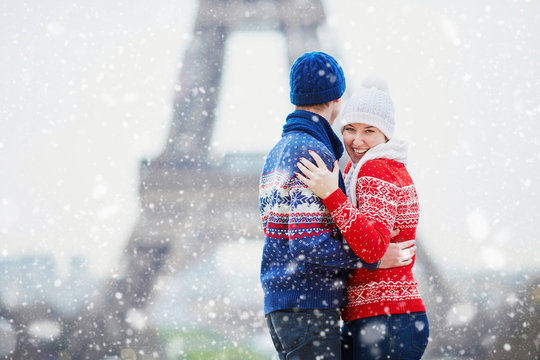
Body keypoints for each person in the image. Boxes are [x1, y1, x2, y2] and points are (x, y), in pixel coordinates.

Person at [259, 53, 417, 359]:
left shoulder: (278, 152)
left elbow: (276, 233)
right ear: (337, 99)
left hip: (281, 305)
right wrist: (370, 259)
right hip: (309, 306)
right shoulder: (313, 151)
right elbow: (305, 244)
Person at [296, 76, 429, 359]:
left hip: (384, 320)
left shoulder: (374, 170)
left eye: (369, 130)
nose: (356, 140)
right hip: (388, 319)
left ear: (385, 135)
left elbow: (372, 248)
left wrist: (331, 194)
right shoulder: (374, 169)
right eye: (350, 129)